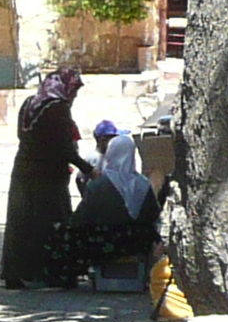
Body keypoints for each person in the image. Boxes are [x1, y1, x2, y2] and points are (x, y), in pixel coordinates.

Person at [1, 66, 87, 288]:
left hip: (23, 171)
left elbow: (23, 136)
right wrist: (90, 169)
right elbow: (65, 148)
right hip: (48, 176)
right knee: (54, 223)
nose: (74, 97)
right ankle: (55, 274)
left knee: (21, 223)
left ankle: (16, 274)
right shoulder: (58, 108)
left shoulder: (30, 103)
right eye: (73, 91)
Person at [56, 116, 155, 282]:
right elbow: (153, 214)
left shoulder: (100, 184)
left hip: (103, 245)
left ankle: (66, 274)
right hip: (137, 244)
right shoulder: (143, 184)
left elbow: (80, 218)